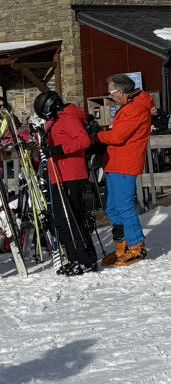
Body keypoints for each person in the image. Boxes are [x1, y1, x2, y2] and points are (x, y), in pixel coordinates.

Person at [34, 90, 98, 276]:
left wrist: (58, 149)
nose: (46, 117)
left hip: (71, 175)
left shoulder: (68, 118)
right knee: (62, 220)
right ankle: (74, 257)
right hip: (58, 175)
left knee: (73, 219)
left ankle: (86, 260)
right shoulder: (56, 121)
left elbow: (84, 141)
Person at [95, 74, 154, 266]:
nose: (110, 96)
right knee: (111, 206)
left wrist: (96, 135)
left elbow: (118, 137)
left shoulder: (135, 109)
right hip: (115, 162)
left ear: (120, 91)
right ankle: (122, 246)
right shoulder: (128, 107)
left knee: (124, 205)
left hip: (125, 163)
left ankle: (137, 246)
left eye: (111, 92)